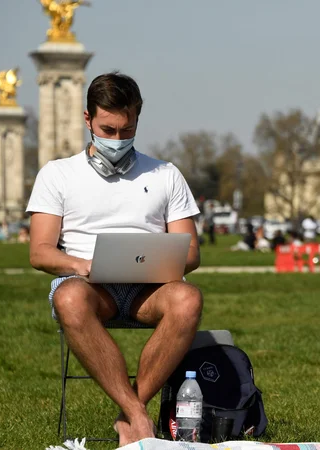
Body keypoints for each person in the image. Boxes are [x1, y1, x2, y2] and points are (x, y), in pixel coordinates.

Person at [26, 73, 202, 447]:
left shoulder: (166, 174)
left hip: (150, 291)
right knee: (69, 298)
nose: (118, 139)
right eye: (108, 129)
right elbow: (40, 252)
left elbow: (190, 252)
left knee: (188, 299)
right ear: (88, 119)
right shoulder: (57, 174)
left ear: (138, 119)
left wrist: (160, 263)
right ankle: (138, 415)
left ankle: (129, 416)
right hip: (89, 288)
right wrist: (81, 265)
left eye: (127, 130)